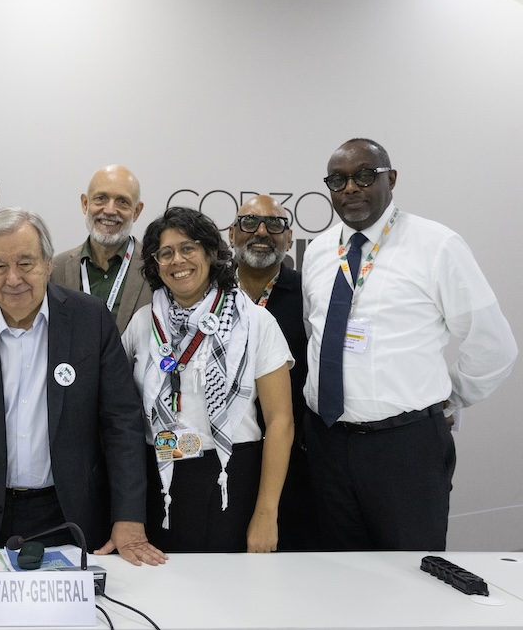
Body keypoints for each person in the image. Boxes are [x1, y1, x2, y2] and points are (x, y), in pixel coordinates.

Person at [0, 207, 166, 568]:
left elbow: (121, 423)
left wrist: (128, 516)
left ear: (49, 264)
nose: (13, 278)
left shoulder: (90, 320)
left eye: (26, 263)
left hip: (73, 515)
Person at [303, 138, 517, 551]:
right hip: (327, 444)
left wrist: (450, 399)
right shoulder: (318, 251)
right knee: (337, 571)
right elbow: (316, 335)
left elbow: (493, 344)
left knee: (410, 571)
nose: (351, 187)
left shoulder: (436, 245)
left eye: (365, 175)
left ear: (392, 178)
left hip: (404, 448)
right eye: (338, 180)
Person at [122, 207, 294, 553]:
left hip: (232, 477)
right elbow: (118, 411)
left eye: (188, 248)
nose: (177, 260)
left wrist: (266, 513)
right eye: (165, 253)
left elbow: (281, 422)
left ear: (211, 253)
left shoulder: (255, 322)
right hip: (159, 478)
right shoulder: (142, 323)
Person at [229, 195, 318, 551]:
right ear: (232, 233)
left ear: (290, 237)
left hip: (294, 462)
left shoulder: (310, 296)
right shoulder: (209, 293)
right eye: (249, 222)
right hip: (227, 456)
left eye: (275, 224)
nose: (262, 232)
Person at [51, 164, 150, 333]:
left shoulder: (154, 268)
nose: (110, 210)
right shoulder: (55, 269)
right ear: (85, 203)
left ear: (137, 211)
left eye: (122, 201)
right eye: (101, 198)